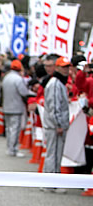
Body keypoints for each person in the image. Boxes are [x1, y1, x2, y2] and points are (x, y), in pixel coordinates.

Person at [41, 56, 71, 193]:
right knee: (54, 154)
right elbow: (54, 107)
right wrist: (59, 124)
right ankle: (51, 183)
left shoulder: (57, 83)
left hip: (54, 124)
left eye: (67, 67)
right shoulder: (55, 83)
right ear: (57, 67)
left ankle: (51, 181)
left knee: (54, 153)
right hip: (54, 125)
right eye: (63, 67)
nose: (66, 70)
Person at [2, 59, 30, 157]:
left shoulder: (6, 77)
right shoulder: (18, 79)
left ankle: (9, 148)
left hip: (7, 106)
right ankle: (13, 149)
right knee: (15, 129)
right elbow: (24, 92)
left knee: (9, 129)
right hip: (16, 107)